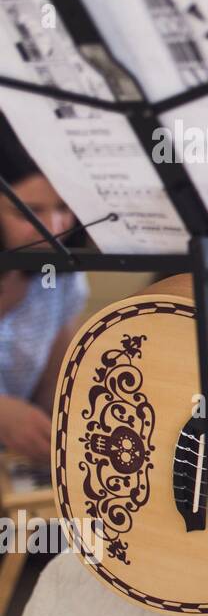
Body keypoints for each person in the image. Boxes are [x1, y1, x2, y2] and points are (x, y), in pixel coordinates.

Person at [0, 115, 88, 466]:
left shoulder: (62, 281)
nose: (53, 229)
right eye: (29, 213)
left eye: (64, 208)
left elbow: (55, 395)